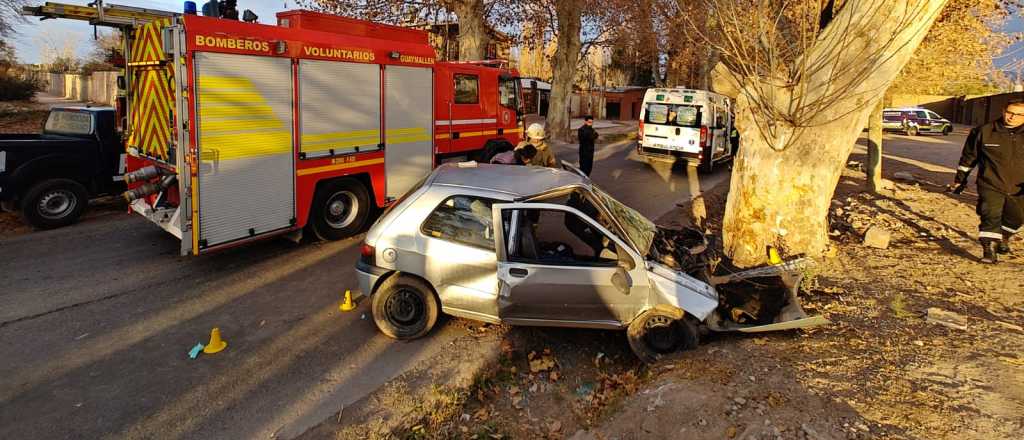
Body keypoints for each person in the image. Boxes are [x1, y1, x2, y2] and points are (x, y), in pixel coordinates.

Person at [949, 100, 1024, 264]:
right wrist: (960, 181)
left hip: (1020, 188)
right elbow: (968, 158)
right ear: (1003, 110)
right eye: (1010, 112)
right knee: (990, 215)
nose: (1012, 117)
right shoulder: (983, 131)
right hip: (990, 183)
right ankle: (989, 251)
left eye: (1019, 115)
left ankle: (1003, 237)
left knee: (1017, 218)